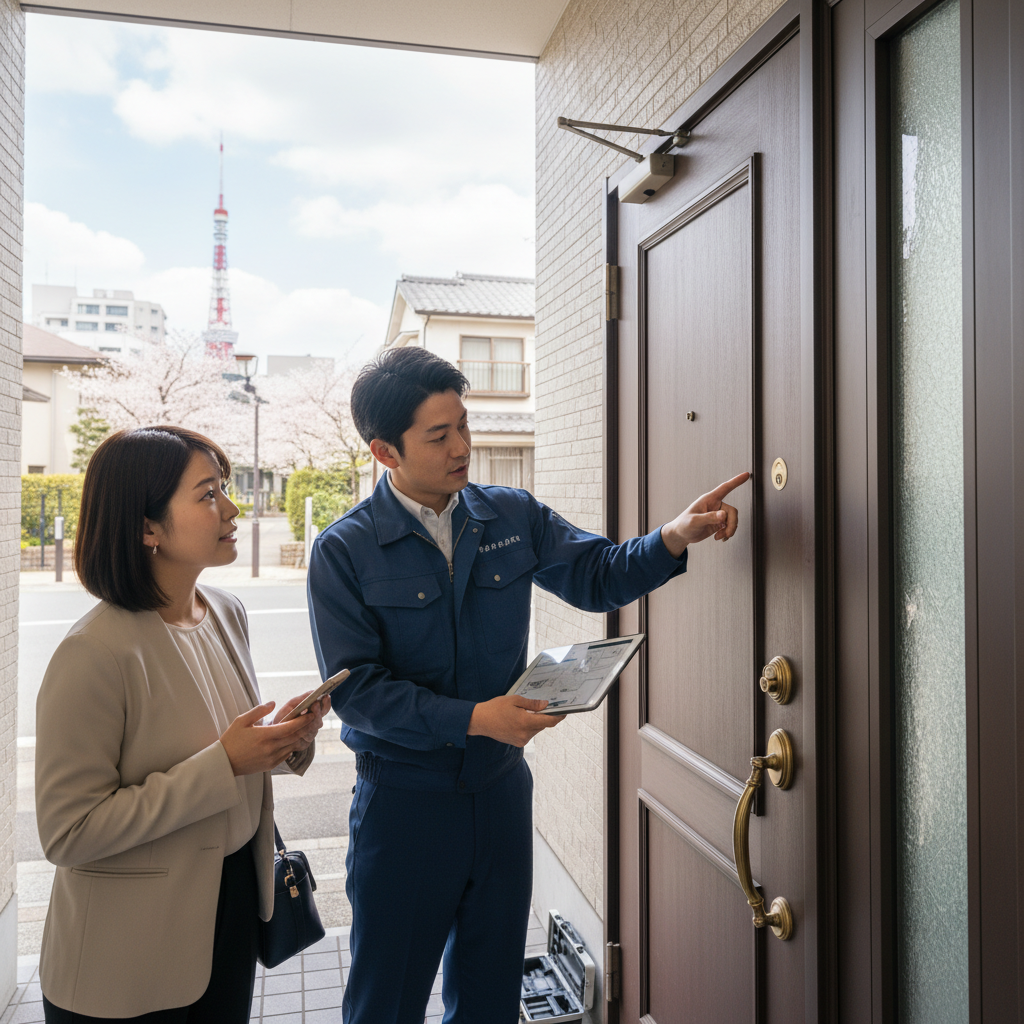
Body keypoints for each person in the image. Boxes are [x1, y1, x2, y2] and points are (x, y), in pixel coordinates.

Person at [307, 348, 749, 1024]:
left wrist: (673, 536)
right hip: (404, 809)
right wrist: (474, 718)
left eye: (463, 425)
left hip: (501, 795)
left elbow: (598, 573)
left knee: (489, 999)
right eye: (439, 435)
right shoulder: (345, 550)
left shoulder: (508, 515)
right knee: (384, 1004)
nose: (462, 447)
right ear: (384, 451)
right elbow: (358, 691)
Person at [34, 426, 329, 1023]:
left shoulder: (224, 610)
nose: (231, 507)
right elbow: (67, 831)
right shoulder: (93, 652)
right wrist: (225, 763)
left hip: (230, 910)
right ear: (147, 528)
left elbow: (232, 749)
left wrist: (289, 738)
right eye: (207, 494)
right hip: (126, 959)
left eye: (223, 489)